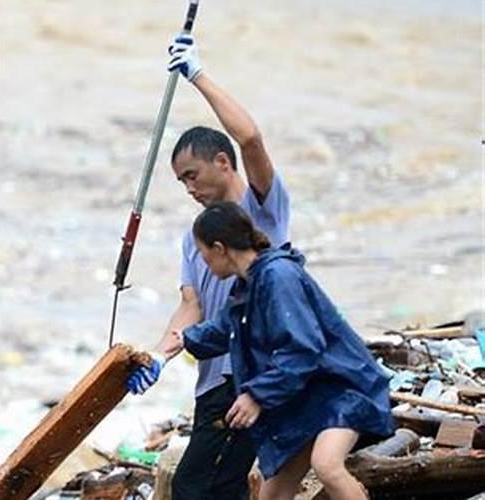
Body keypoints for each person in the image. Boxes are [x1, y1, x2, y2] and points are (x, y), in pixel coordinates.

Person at [126, 34, 290, 499]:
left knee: (197, 487)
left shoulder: (263, 212)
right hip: (212, 382)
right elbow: (191, 305)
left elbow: (251, 139)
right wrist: (158, 355)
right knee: (220, 488)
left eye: (192, 176)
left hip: (251, 375)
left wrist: (196, 74)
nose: (188, 189)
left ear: (222, 162)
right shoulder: (194, 238)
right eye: (180, 182)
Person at [176, 201, 395, 500]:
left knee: (326, 464)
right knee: (272, 494)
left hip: (342, 389)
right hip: (306, 397)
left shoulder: (278, 276)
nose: (204, 264)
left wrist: (256, 395)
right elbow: (222, 329)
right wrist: (179, 341)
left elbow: (303, 350)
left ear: (219, 248)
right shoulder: (246, 286)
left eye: (203, 255)